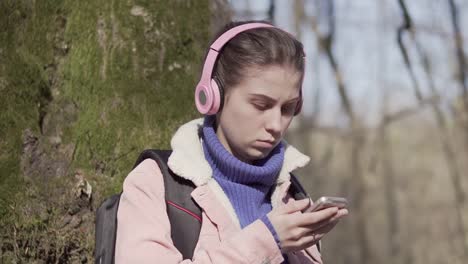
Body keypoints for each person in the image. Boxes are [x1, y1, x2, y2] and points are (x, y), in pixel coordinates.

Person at [115, 20, 348, 264]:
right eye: (261, 105)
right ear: (212, 96)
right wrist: (267, 241)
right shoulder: (155, 182)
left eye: (288, 108)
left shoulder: (292, 195)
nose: (276, 124)